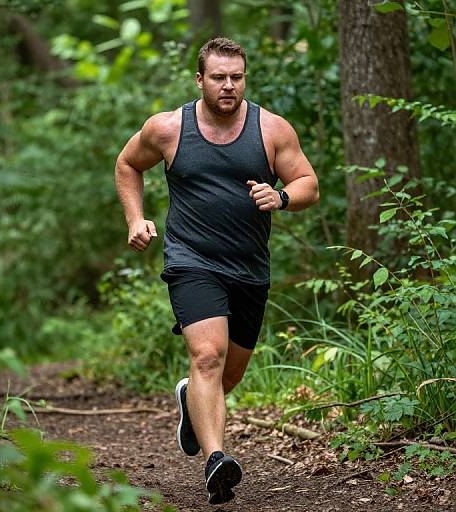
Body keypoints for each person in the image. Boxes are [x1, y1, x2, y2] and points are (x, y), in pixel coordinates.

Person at [115, 37, 319, 505]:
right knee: (208, 354)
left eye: (237, 77)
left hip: (249, 267)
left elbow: (308, 182)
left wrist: (282, 197)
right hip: (192, 260)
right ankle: (216, 461)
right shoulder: (167, 129)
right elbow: (128, 164)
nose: (229, 86)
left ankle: (191, 400)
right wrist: (135, 218)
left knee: (227, 375)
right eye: (219, 77)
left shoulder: (271, 129)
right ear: (200, 80)